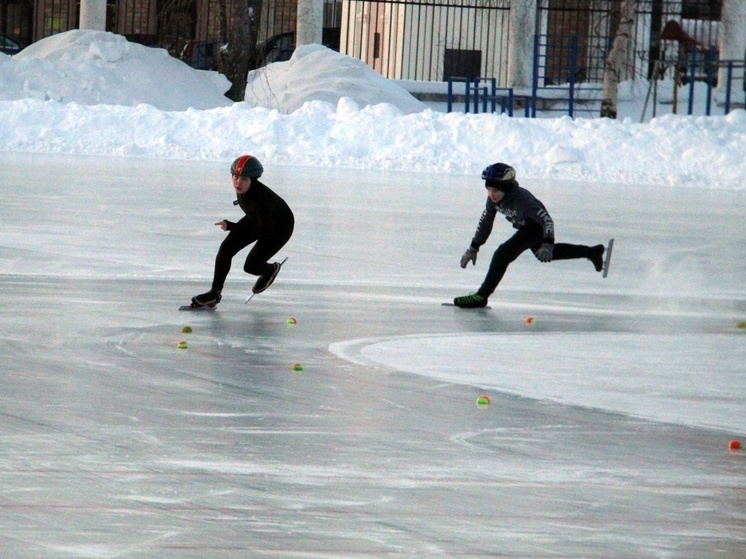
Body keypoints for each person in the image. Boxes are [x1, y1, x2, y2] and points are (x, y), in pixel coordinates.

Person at [453, 163, 605, 308]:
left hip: (536, 227)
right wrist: (474, 247)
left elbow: (547, 220)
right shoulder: (493, 200)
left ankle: (481, 296)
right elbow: (486, 222)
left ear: (506, 189)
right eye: (488, 189)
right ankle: (592, 252)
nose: (491, 195)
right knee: (548, 254)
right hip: (525, 226)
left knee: (502, 254)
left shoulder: (523, 200)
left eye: (495, 191)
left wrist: (547, 243)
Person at [191, 155, 294, 307]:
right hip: (257, 219)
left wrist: (232, 226)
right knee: (225, 249)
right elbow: (253, 225)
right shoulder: (245, 189)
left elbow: (264, 231)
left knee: (251, 266)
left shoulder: (259, 201)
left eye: (244, 179)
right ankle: (214, 293)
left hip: (278, 229)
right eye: (236, 177)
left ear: (253, 180)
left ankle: (271, 269)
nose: (238, 182)